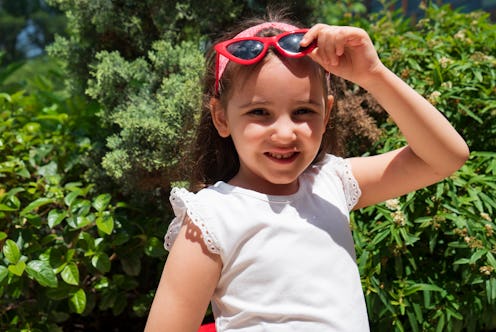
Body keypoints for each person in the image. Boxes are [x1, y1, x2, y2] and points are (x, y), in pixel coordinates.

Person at [145, 14, 469, 332]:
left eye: (303, 111)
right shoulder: (212, 219)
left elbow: (445, 157)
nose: (285, 133)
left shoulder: (331, 183)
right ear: (221, 118)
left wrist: (373, 74)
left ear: (327, 114)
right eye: (260, 112)